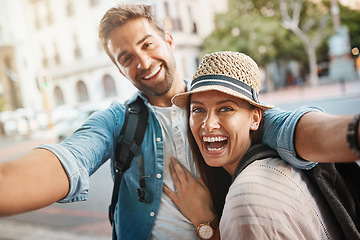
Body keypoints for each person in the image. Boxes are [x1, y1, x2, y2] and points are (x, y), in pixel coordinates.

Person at [0, 4, 359, 240]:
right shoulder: (117, 120)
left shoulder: (217, 100)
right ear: (119, 68)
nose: (142, 61)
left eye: (147, 44)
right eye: (126, 57)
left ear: (168, 40)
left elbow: (291, 128)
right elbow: (70, 158)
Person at [169, 51, 349, 239]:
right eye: (198, 109)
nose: (208, 124)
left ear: (255, 119)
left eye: (225, 109)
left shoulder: (245, 197)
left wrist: (204, 222)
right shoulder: (272, 164)